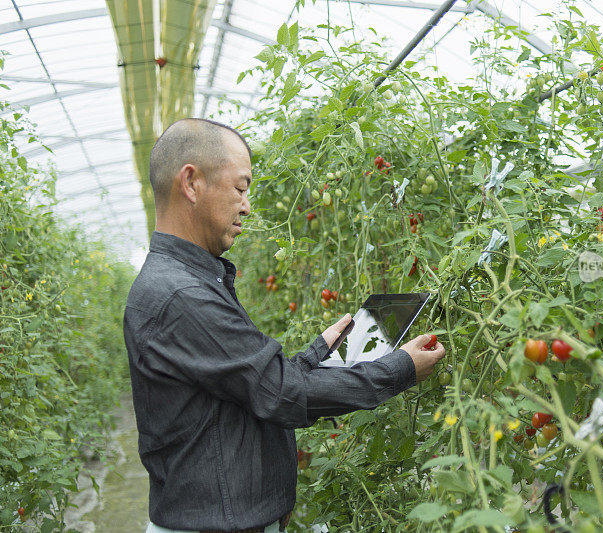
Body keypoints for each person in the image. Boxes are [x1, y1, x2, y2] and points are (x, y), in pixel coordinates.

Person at [123, 118, 446, 533]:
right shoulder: (181, 295)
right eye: (240, 188)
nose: (247, 206)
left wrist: (316, 352)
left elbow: (248, 385)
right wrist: (400, 368)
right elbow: (280, 394)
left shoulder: (193, 280)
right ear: (191, 183)